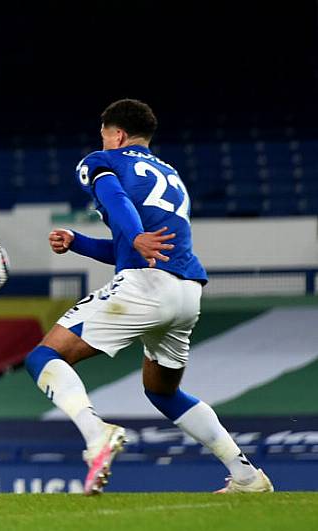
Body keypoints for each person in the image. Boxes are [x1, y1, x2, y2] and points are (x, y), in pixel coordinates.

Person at [26, 98, 273, 495]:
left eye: (104, 135)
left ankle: (96, 435)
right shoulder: (169, 174)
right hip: (187, 292)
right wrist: (78, 241)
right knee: (162, 391)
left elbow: (118, 205)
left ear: (117, 134)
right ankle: (246, 477)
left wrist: (136, 233)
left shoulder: (102, 161)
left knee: (43, 356)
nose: (102, 141)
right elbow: (131, 245)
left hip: (145, 287)